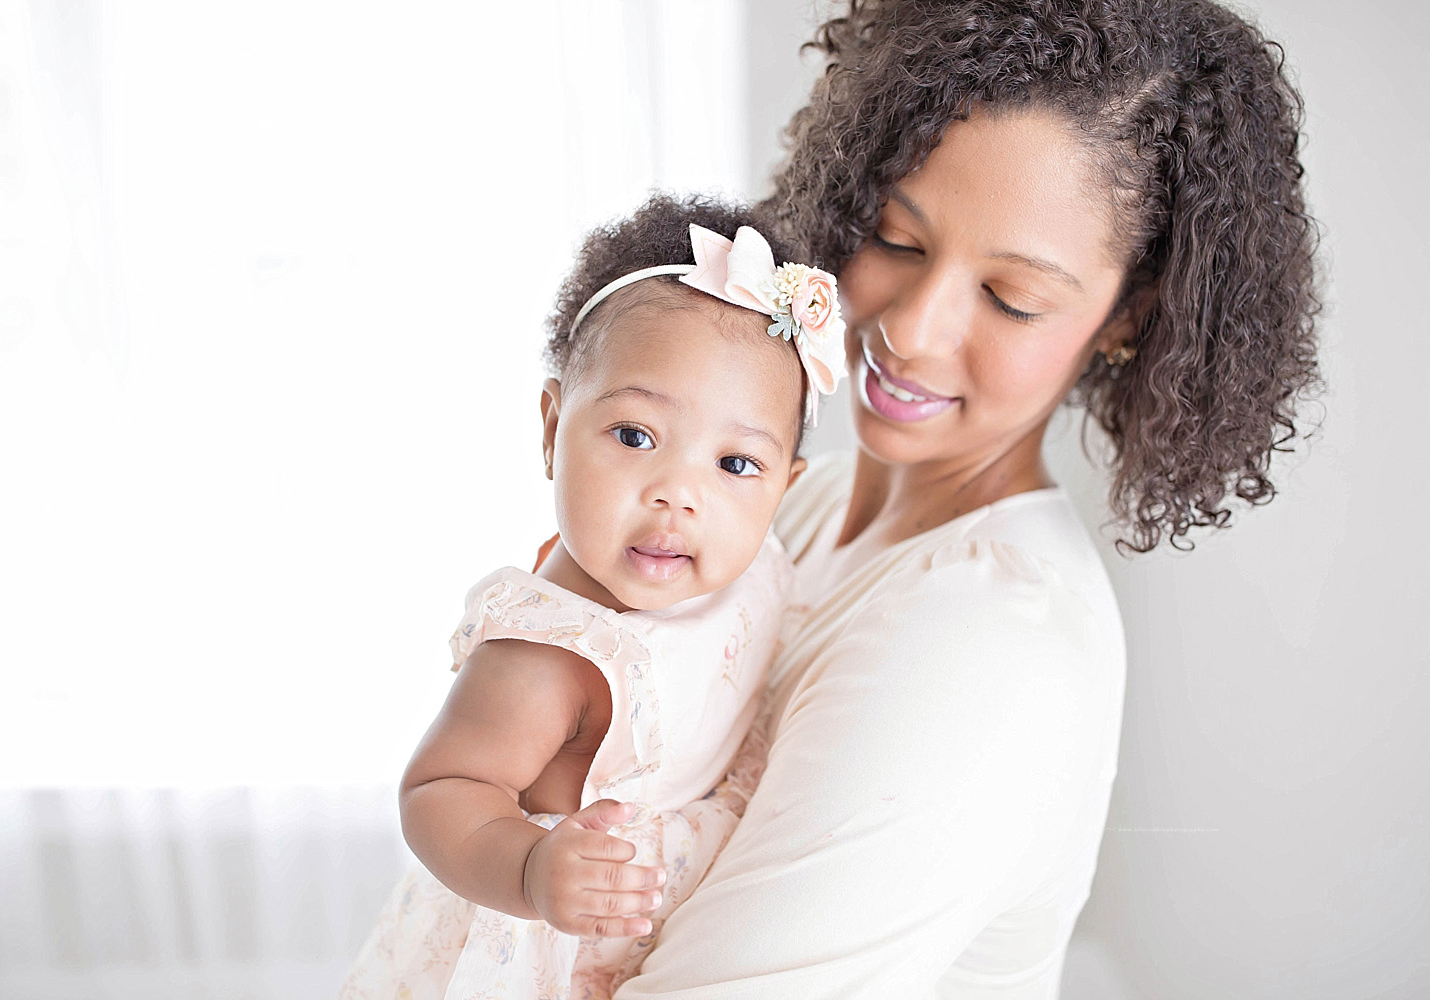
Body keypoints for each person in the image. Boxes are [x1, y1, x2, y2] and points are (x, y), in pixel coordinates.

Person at [609, 0, 1322, 996]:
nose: (913, 328)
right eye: (898, 238)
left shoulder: (984, 638)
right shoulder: (801, 505)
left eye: (1011, 298)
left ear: (1127, 319)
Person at [337, 194, 849, 999]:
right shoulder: (553, 654)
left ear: (783, 489)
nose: (678, 495)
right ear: (551, 428)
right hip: (551, 954)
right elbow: (439, 791)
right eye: (635, 436)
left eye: (735, 465)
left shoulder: (749, 562)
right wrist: (534, 868)